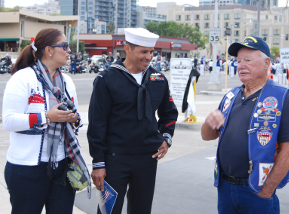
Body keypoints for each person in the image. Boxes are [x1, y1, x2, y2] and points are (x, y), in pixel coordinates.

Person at [201, 36, 289, 214]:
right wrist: (209, 123)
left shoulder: (282, 97)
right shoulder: (231, 96)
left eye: (248, 60)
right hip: (225, 188)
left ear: (266, 63)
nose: (240, 65)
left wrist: (267, 190)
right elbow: (207, 136)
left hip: (257, 190)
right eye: (238, 61)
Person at [87, 28, 178, 214]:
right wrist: (98, 163)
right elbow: (97, 123)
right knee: (108, 212)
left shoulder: (158, 79)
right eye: (143, 52)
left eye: (151, 52)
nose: (149, 57)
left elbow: (169, 113)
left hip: (147, 159)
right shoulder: (106, 79)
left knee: (141, 210)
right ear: (127, 49)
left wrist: (166, 138)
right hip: (114, 159)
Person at [2, 28, 91, 213]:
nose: (69, 51)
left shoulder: (67, 81)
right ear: (49, 50)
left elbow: (76, 121)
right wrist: (46, 117)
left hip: (63, 164)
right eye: (64, 46)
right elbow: (8, 121)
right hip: (27, 169)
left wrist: (74, 118)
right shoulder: (23, 78)